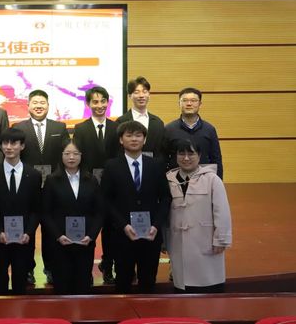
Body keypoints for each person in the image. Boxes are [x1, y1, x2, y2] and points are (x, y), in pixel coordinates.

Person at [101, 121, 171, 294]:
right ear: (121, 140)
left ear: (144, 139)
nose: (134, 139)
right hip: (123, 235)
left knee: (148, 282)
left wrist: (156, 225)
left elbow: (165, 198)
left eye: (138, 135)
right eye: (129, 135)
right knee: (123, 282)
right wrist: (123, 225)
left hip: (151, 234)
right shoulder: (111, 166)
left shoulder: (156, 165)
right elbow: (105, 200)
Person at [13, 89, 69, 284]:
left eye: (42, 102)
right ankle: (27, 268)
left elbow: (65, 155)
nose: (38, 106)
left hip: (53, 186)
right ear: (28, 105)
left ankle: (51, 267)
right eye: (35, 102)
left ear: (48, 105)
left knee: (51, 229)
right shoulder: (19, 127)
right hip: (28, 185)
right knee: (27, 228)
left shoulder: (59, 127)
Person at [166, 139, 232, 293]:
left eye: (191, 154)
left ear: (199, 155)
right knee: (182, 287)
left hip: (205, 240)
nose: (186, 158)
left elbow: (222, 211)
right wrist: (164, 240)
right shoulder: (169, 180)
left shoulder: (212, 179)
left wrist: (221, 239)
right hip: (178, 240)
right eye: (181, 153)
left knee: (208, 285)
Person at [42, 140, 104, 294]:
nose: (71, 157)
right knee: (62, 287)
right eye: (67, 153)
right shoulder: (51, 180)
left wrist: (91, 236)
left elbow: (99, 212)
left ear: (82, 156)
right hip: (60, 244)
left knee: (83, 286)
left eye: (76, 153)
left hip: (85, 243)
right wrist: (58, 236)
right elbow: (45, 213)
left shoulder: (91, 180)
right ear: (61, 156)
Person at [72, 85, 119, 284]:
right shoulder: (81, 129)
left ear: (108, 103)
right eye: (95, 101)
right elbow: (78, 158)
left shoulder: (117, 128)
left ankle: (107, 266)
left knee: (111, 231)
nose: (99, 105)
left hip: (112, 187)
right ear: (88, 104)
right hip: (88, 187)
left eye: (103, 101)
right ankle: (85, 271)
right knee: (88, 230)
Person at [0, 128, 41, 294]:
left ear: (22, 146)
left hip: (23, 240)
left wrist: (29, 232)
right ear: (1, 146)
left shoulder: (34, 175)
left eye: (14, 143)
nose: (9, 147)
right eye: (5, 143)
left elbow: (36, 209)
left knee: (21, 286)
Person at [164, 87, 224, 179]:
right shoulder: (169, 129)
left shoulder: (209, 129)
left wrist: (217, 182)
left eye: (193, 100)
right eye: (185, 100)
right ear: (179, 103)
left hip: (204, 181)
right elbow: (163, 159)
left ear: (200, 104)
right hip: (176, 182)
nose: (189, 104)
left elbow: (216, 160)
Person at [116, 76, 165, 164]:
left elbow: (161, 150)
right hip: (127, 166)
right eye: (136, 92)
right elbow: (118, 150)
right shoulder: (121, 121)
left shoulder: (158, 122)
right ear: (130, 96)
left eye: (145, 92)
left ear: (149, 95)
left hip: (153, 166)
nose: (141, 96)